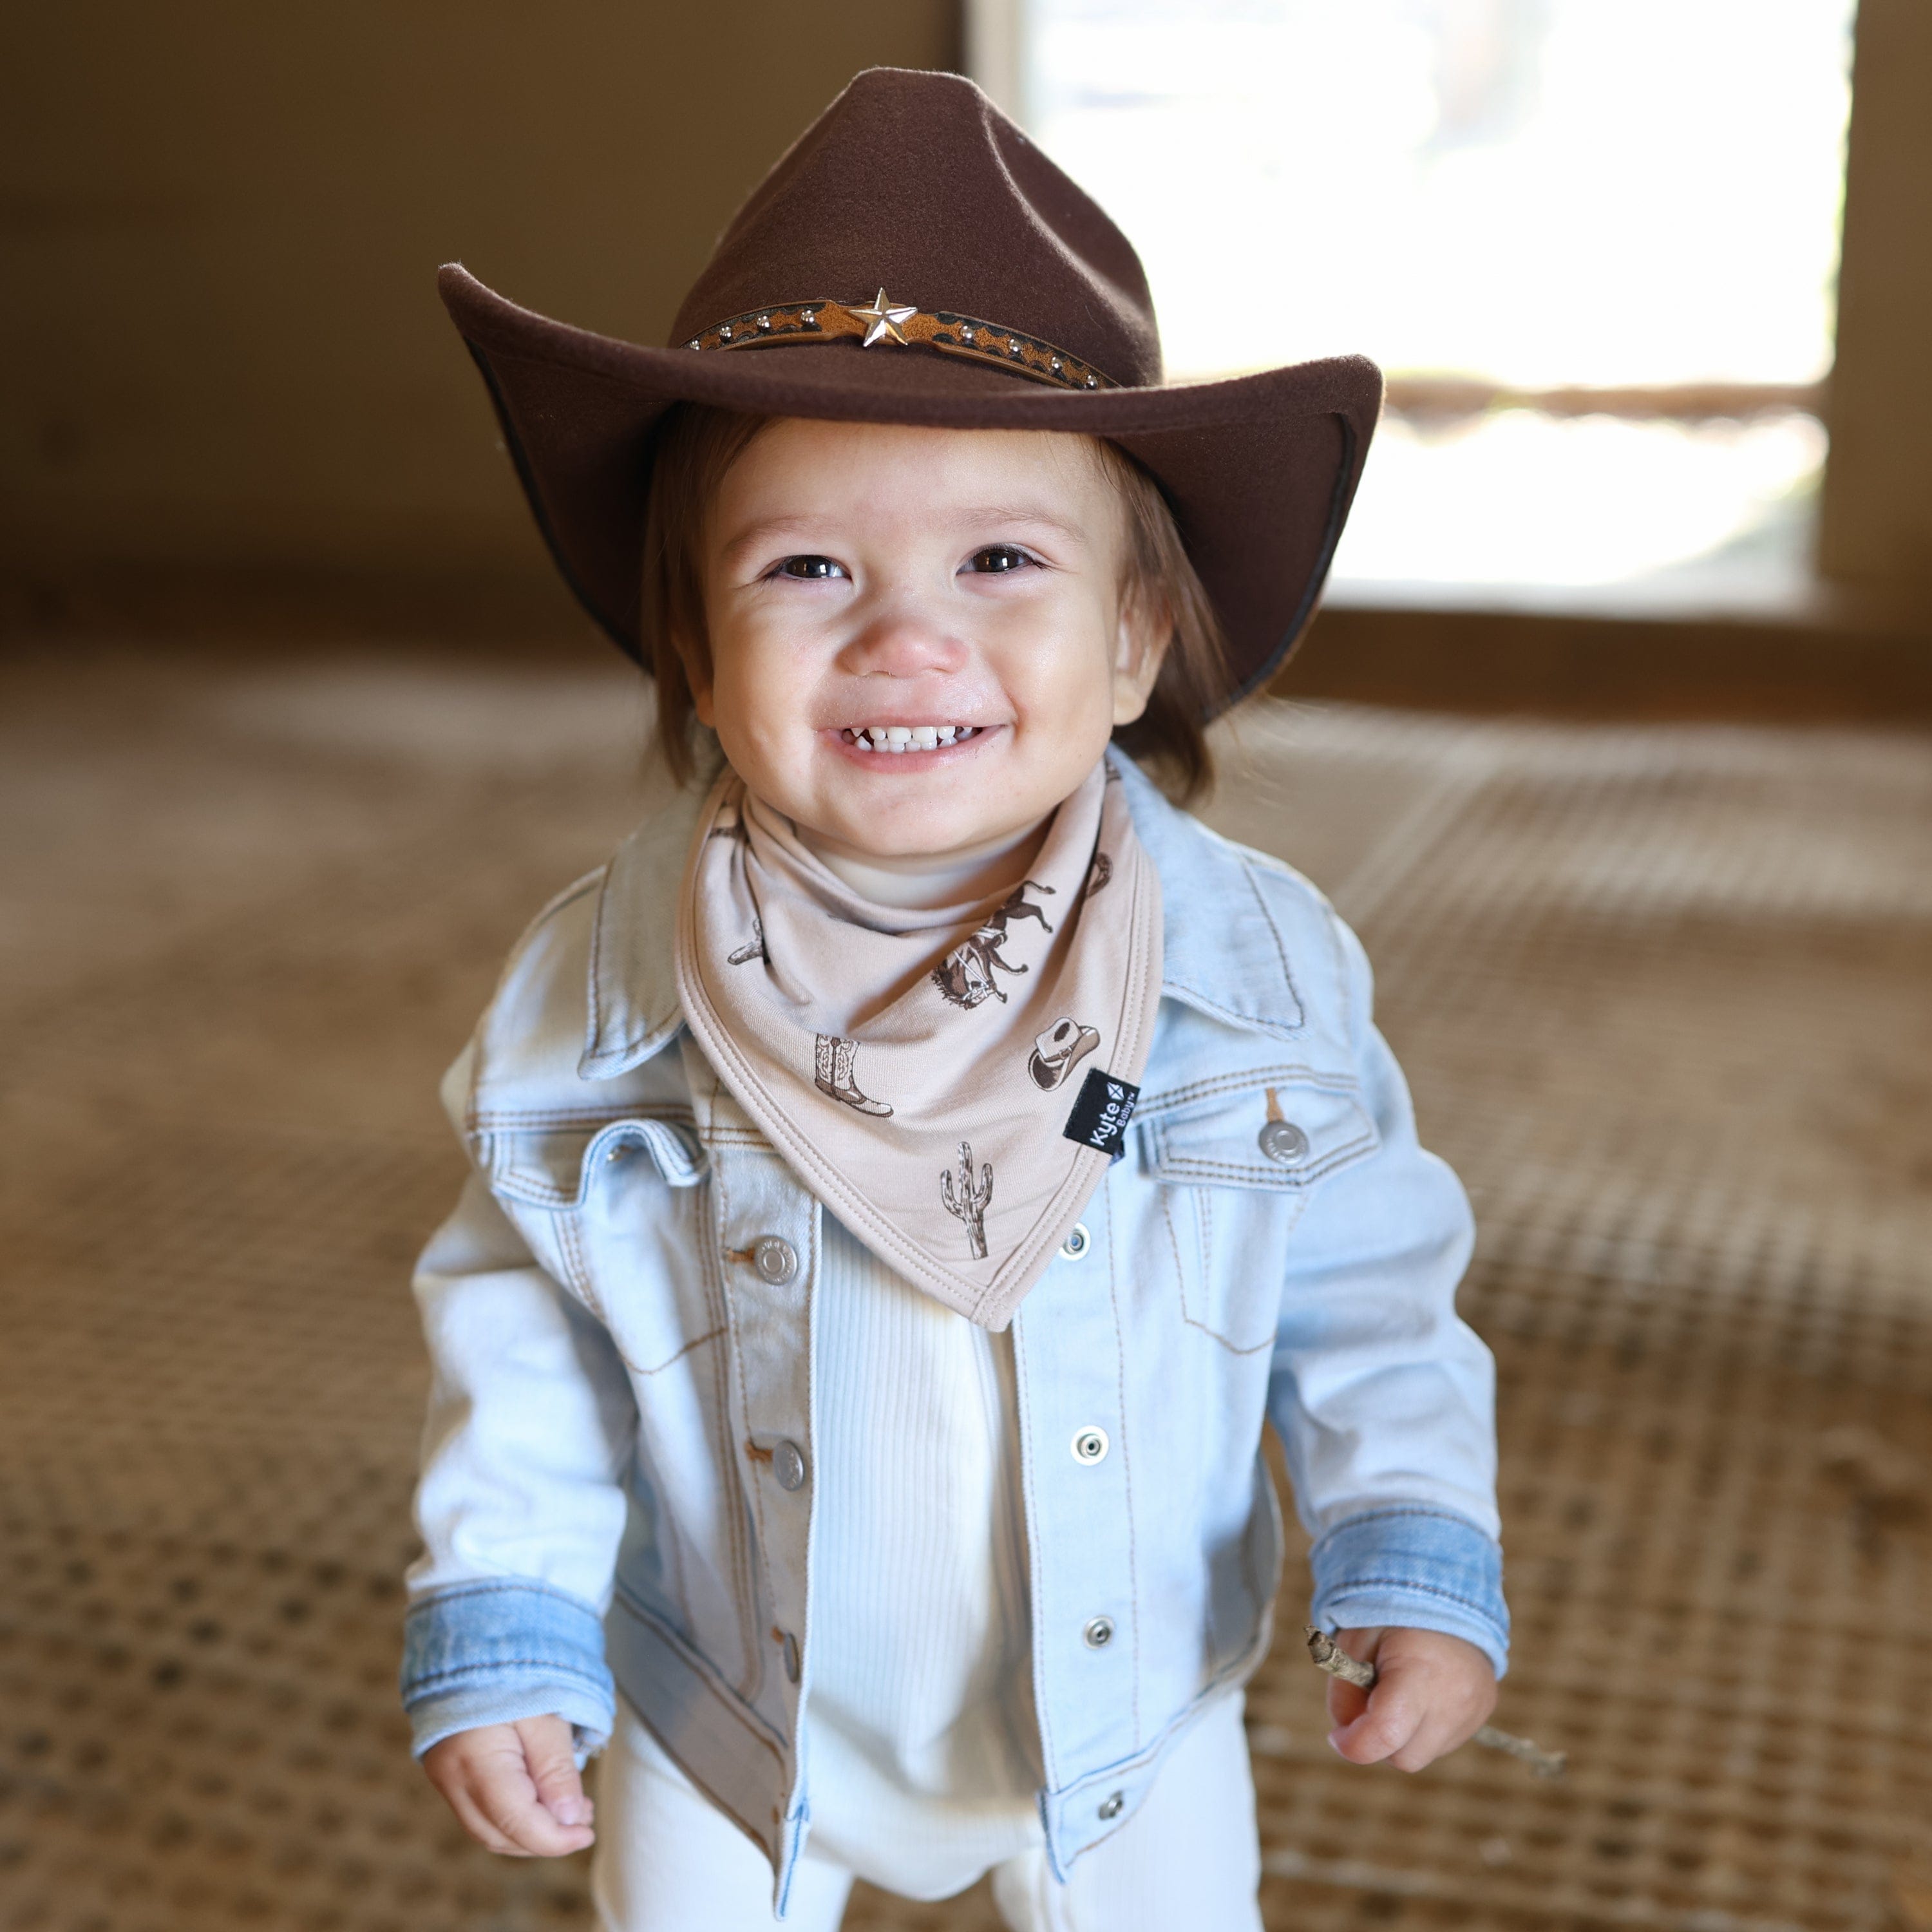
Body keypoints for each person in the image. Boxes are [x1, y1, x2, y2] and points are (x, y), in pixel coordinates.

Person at [402, 67, 1506, 1932]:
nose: (907, 635)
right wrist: (504, 1613)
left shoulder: (1249, 978)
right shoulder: (607, 995)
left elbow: (1370, 1286)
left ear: (1140, 638)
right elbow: (531, 1322)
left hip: (1128, 1710)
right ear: (695, 639)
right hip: (730, 1708)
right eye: (808, 566)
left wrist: (1409, 1544)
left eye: (1002, 561)